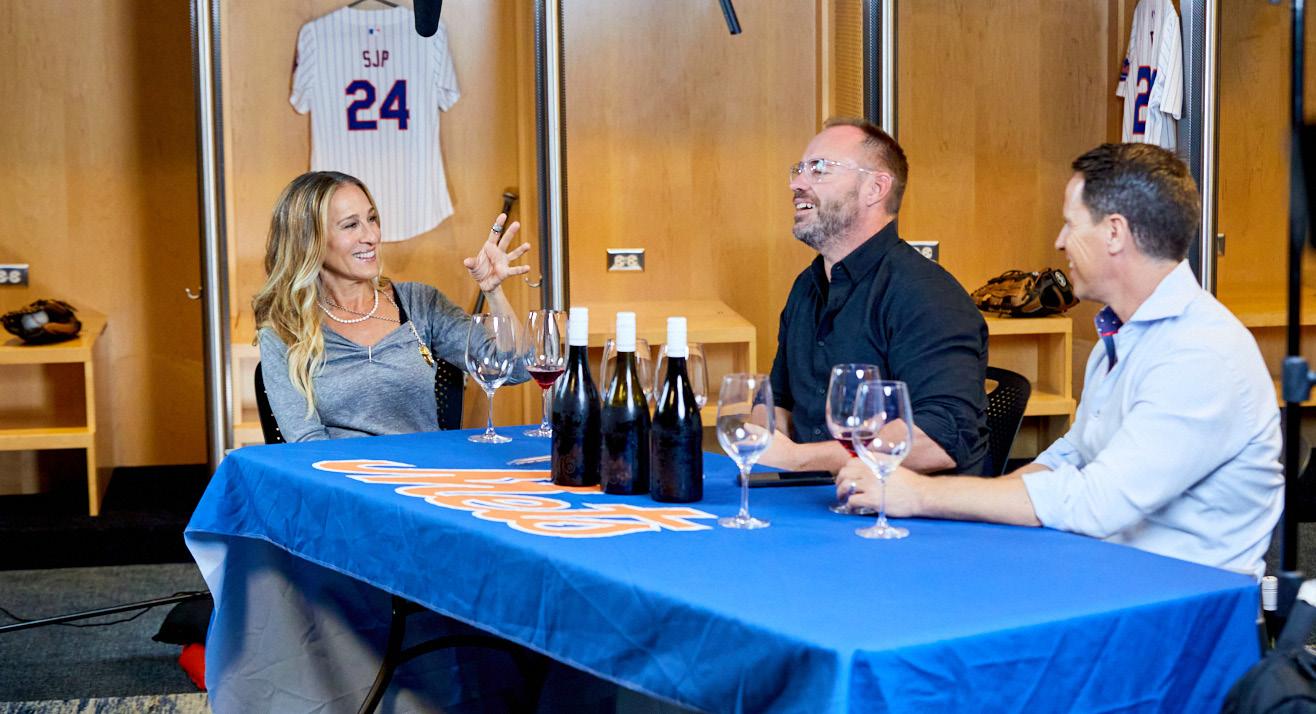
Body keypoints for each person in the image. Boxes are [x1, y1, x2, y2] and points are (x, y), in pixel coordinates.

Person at [838, 143, 1284, 579]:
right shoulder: (1121, 336)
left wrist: (922, 495)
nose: (1060, 242)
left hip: (1182, 601)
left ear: (1114, 233)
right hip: (1109, 575)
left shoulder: (1200, 353)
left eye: (1071, 224)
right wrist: (978, 504)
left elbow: (1099, 502)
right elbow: (1071, 455)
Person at [762, 117, 989, 475]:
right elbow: (777, 401)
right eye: (799, 169)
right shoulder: (807, 285)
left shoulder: (928, 296)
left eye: (819, 169)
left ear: (875, 188)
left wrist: (797, 459)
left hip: (900, 505)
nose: (797, 183)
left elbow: (940, 440)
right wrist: (761, 443)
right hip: (809, 496)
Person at [253, 170, 530, 441]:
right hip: (341, 470)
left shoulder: (420, 304)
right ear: (308, 240)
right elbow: (307, 441)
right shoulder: (283, 329)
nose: (372, 236)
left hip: (425, 468)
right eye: (351, 225)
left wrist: (493, 292)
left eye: (372, 219)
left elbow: (515, 370)